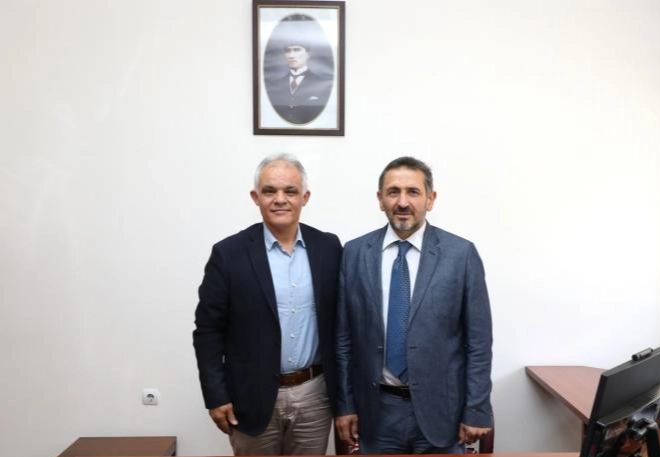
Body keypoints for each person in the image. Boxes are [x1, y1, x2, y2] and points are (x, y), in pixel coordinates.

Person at [335, 156, 493, 454]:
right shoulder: (354, 253)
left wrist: (476, 408)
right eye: (393, 192)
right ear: (380, 199)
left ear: (430, 199)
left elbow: (479, 343)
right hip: (376, 413)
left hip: (442, 412)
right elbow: (344, 340)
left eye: (413, 192)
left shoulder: (461, 255)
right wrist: (345, 405)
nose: (403, 202)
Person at [193, 153, 342, 455]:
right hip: (251, 396)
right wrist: (216, 396)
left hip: (315, 396)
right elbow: (208, 331)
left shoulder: (329, 248)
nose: (280, 199)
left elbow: (343, 323)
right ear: (255, 197)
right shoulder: (228, 254)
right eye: (269, 191)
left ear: (305, 197)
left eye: (290, 191)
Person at [265, 38, 333, 125]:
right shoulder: (274, 85)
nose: (291, 56)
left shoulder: (322, 84)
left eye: (297, 50)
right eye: (287, 51)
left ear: (308, 54)